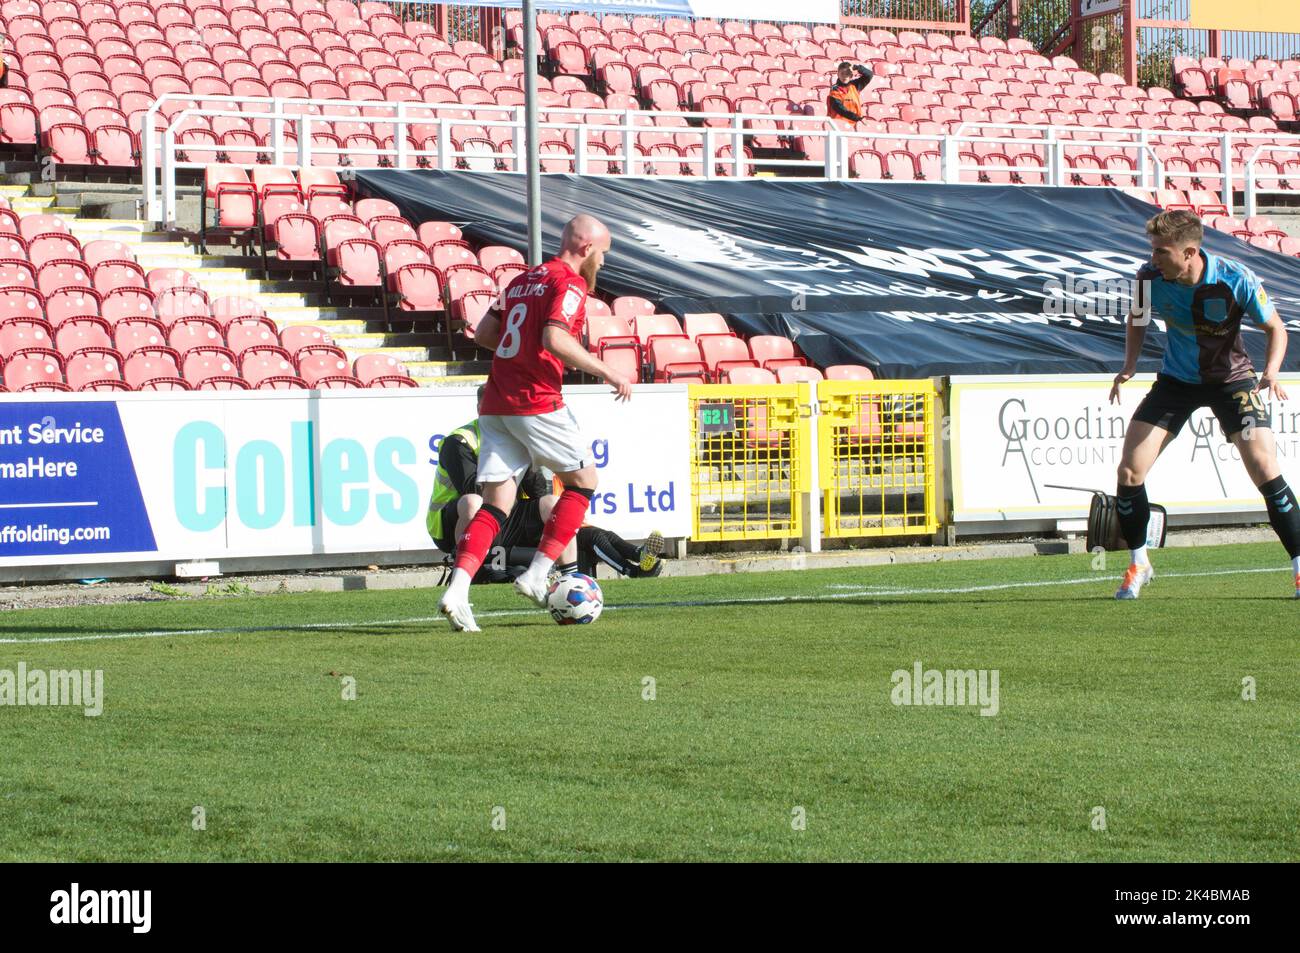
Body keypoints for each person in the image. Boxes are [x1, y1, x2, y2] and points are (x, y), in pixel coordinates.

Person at [437, 214, 634, 631]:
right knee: (583, 482)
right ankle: (536, 574)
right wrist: (608, 372)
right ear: (586, 248)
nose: (603, 262)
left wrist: (521, 350)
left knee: (497, 503)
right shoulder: (570, 282)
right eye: (603, 253)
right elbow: (555, 339)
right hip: (535, 400)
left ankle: (457, 591)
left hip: (496, 402)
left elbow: (485, 334)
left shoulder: (523, 280)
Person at [1109, 209, 1298, 600]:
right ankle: (1140, 562)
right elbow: (1138, 318)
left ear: (1190, 252)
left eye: (1161, 252)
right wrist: (1129, 365)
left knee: (1265, 468)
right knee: (1129, 472)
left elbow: (1275, 327)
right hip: (1177, 382)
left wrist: (1272, 371)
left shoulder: (1235, 278)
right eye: (1153, 251)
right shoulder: (1148, 278)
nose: (1153, 258)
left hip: (1232, 382)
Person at [426, 416, 664, 583]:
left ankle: (629, 561)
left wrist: (549, 518)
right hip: (460, 521)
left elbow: (539, 490)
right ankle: (469, 573)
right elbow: (472, 489)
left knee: (558, 509)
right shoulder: (460, 441)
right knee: (473, 502)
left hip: (512, 516)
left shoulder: (524, 445)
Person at [827, 61, 873, 131]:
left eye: (847, 73)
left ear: (851, 75)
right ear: (838, 74)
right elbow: (839, 108)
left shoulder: (855, 85)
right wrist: (857, 118)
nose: (845, 76)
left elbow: (869, 75)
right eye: (842, 73)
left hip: (853, 126)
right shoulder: (834, 89)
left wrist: (857, 67)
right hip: (837, 126)